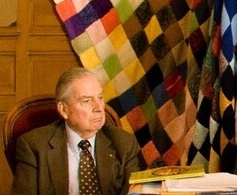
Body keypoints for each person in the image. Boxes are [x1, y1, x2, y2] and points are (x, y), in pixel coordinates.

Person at [12, 67, 142, 195]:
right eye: (87, 101)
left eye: (100, 98)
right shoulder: (34, 146)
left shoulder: (124, 143)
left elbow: (135, 192)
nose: (99, 108)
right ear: (64, 110)